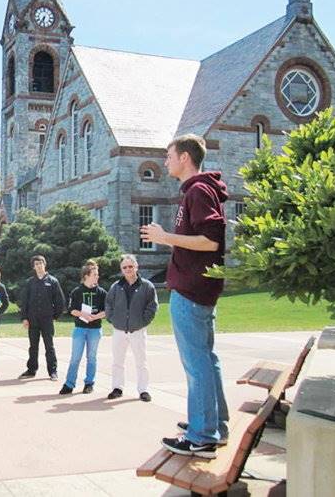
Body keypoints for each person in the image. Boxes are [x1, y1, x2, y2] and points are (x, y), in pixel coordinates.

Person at [141, 133, 229, 459]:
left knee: (197, 365)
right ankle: (214, 425)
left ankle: (202, 436)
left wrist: (165, 238)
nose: (166, 161)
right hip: (196, 290)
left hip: (192, 291)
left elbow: (210, 241)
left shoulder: (199, 191)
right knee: (207, 360)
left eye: (169, 156)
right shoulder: (195, 191)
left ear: (185, 158)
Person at [104, 254, 158, 402]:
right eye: (125, 267)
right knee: (117, 361)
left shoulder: (147, 286)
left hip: (137, 330)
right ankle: (117, 387)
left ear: (136, 267)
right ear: (121, 269)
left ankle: (143, 390)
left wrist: (142, 322)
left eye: (130, 266)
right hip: (119, 330)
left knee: (141, 361)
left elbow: (152, 307)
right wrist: (112, 319)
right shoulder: (116, 287)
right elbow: (108, 304)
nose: (128, 269)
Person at [59, 262, 107, 395]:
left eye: (98, 275)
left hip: (95, 330)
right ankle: (69, 384)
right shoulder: (77, 291)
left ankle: (89, 384)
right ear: (86, 276)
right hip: (80, 329)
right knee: (75, 357)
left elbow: (107, 311)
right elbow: (71, 310)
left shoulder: (102, 292)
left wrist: (96, 316)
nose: (97, 277)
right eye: (95, 275)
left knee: (92, 357)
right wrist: (83, 314)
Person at [18, 255, 65, 381]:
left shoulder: (53, 281)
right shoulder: (30, 282)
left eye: (40, 263)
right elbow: (25, 302)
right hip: (32, 319)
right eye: (36, 264)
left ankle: (53, 371)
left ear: (45, 264)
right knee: (33, 346)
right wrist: (24, 318)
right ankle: (31, 370)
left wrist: (55, 316)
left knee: (49, 346)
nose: (39, 266)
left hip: (47, 320)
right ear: (33, 267)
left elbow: (60, 301)